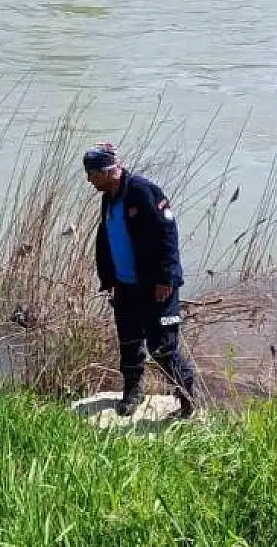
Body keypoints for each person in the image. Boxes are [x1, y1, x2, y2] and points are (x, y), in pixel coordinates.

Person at [84, 142, 197, 418]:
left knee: (162, 347)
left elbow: (167, 236)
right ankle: (132, 393)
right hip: (125, 287)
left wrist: (165, 278)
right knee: (129, 342)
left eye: (92, 174)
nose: (89, 180)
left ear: (109, 171)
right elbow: (107, 238)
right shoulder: (108, 197)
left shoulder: (143, 191)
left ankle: (188, 398)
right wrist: (108, 278)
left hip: (156, 286)